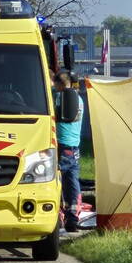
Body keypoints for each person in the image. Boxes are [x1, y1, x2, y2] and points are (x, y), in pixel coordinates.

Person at [54, 71, 83, 232]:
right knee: (72, 182)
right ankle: (73, 216)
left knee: (54, 179)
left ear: (59, 84)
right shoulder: (79, 99)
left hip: (62, 144)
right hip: (74, 146)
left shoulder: (60, 98)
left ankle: (57, 215)